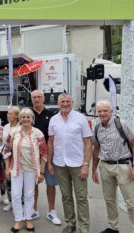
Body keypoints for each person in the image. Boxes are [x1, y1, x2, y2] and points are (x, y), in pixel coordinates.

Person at [92, 100, 134, 233]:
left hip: (123, 166)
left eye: (105, 111)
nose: (102, 113)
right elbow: (96, 149)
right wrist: (94, 169)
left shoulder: (121, 124)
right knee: (109, 200)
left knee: (130, 203)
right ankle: (113, 228)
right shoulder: (97, 128)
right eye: (100, 111)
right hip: (105, 167)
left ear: (111, 111)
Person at [47, 93, 93, 233]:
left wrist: (86, 165)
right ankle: (71, 223)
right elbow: (50, 142)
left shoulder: (80, 118)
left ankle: (84, 227)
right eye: (62, 101)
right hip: (59, 164)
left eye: (67, 101)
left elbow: (88, 143)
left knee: (81, 197)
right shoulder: (54, 120)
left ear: (72, 102)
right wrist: (49, 162)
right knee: (66, 196)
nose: (65, 104)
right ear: (58, 103)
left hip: (78, 164)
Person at [4, 108, 47, 232]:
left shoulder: (38, 133)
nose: (26, 119)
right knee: (16, 195)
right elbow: (6, 151)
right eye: (23, 117)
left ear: (32, 119)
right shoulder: (13, 132)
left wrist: (42, 172)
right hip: (17, 169)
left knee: (29, 195)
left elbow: (44, 154)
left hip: (32, 170)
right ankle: (18, 219)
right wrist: (7, 168)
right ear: (20, 119)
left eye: (28, 117)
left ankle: (28, 218)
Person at [30, 89, 61, 225]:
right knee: (33, 184)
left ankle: (51, 211)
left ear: (43, 99)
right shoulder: (27, 115)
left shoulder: (52, 115)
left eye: (39, 97)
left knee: (51, 184)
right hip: (32, 156)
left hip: (49, 156)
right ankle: (33, 209)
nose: (37, 99)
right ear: (32, 100)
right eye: (34, 97)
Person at [1, 106, 21, 212]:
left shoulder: (21, 127)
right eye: (8, 113)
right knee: (7, 180)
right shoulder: (6, 126)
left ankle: (20, 203)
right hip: (6, 158)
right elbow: (4, 143)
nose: (8, 115)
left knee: (18, 181)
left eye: (11, 114)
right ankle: (11, 202)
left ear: (17, 116)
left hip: (18, 158)